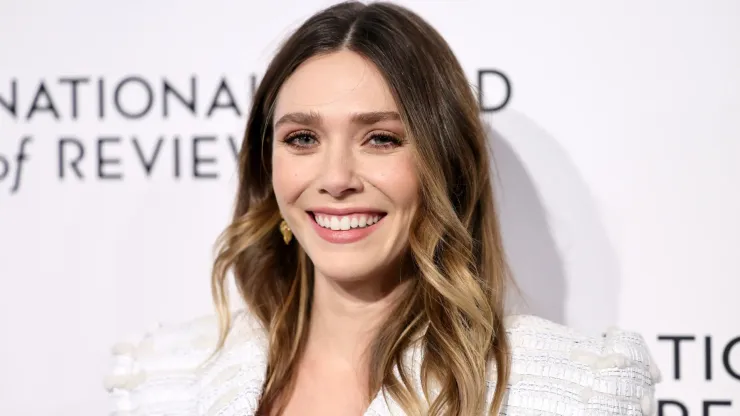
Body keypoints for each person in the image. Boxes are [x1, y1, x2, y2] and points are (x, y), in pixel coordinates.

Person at [104, 1, 661, 415]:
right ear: (266, 166)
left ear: (446, 165)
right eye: (302, 139)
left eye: (381, 139)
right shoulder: (164, 383)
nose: (337, 179)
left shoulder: (567, 393)